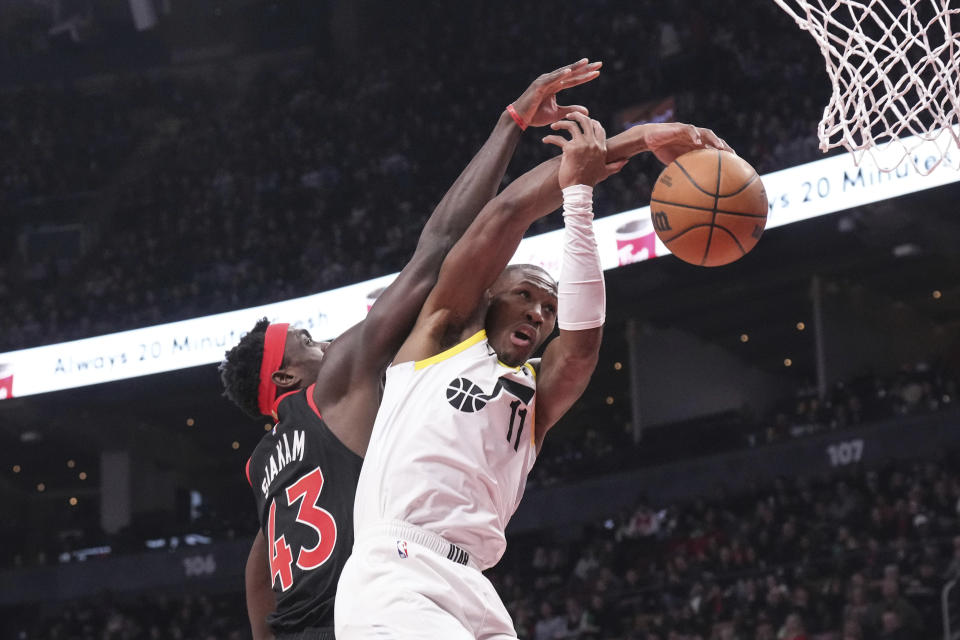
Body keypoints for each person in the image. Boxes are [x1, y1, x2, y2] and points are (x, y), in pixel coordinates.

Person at [219, 59, 605, 640]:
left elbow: (257, 581)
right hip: (383, 598)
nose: (326, 341)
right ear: (284, 380)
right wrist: (514, 124)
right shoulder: (334, 389)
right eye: (308, 343)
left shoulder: (263, 472)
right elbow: (440, 246)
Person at [335, 111, 732, 639]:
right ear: (488, 298)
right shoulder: (438, 339)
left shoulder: (535, 395)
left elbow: (583, 347)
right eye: (525, 295)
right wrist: (631, 142)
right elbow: (506, 214)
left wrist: (580, 204)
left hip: (473, 585)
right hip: (397, 569)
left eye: (549, 307)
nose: (539, 313)